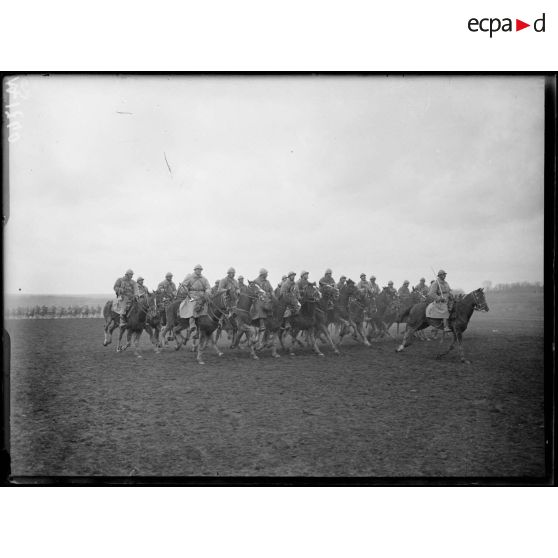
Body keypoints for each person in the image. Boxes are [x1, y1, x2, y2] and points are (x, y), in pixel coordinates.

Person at [181, 264, 211, 334]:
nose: (199, 271)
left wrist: (207, 292)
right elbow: (184, 285)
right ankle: (192, 324)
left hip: (202, 296)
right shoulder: (189, 277)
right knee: (193, 306)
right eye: (198, 269)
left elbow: (208, 287)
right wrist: (186, 291)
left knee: (209, 305)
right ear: (195, 270)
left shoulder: (204, 279)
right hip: (192, 296)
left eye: (200, 269)